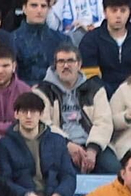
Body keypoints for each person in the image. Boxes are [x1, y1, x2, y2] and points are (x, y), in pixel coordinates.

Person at [36, 43, 119, 175]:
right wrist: (67, 144)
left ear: (79, 64)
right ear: (55, 66)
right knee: (66, 174)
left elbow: (104, 122)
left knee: (113, 170)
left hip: (93, 144)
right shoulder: (42, 91)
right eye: (61, 61)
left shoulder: (95, 89)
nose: (66, 66)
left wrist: (92, 149)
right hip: (61, 146)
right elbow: (45, 123)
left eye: (70, 61)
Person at [0, 92, 76, 196]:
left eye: (33, 112)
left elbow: (68, 175)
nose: (28, 116)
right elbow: (4, 180)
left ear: (40, 114)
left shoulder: (57, 141)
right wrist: (28, 195)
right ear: (16, 114)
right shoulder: (5, 144)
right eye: (24, 112)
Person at [80, 0, 131, 96]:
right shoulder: (90, 40)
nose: (118, 15)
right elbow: (90, 77)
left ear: (129, 13)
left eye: (123, 11)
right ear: (105, 12)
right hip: (101, 97)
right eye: (114, 10)